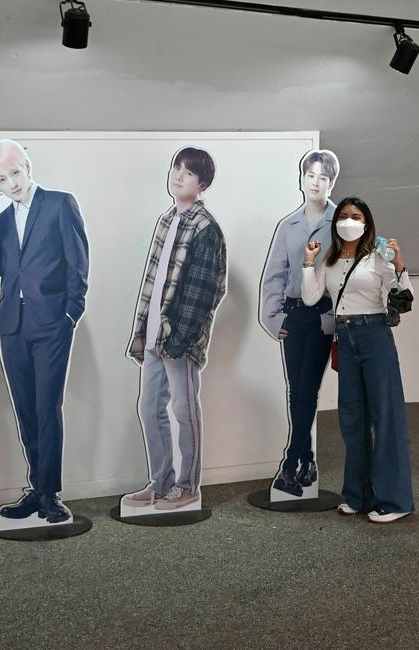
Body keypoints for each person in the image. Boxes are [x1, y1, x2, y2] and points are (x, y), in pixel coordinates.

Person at [0, 139, 89, 524]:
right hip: (12, 326)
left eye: (15, 173)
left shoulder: (59, 203)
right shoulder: (1, 218)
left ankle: (50, 494)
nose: (12, 183)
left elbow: (78, 260)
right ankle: (36, 488)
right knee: (26, 409)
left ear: (27, 165)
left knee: (47, 407)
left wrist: (71, 313)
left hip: (52, 323)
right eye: (1, 179)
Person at [122, 147, 228, 511]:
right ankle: (161, 482)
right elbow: (152, 286)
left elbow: (206, 291)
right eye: (176, 168)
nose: (178, 175)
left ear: (202, 183)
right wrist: (144, 334)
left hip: (178, 341)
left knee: (184, 411)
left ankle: (188, 486)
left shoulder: (206, 227)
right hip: (153, 335)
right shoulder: (167, 220)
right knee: (149, 407)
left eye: (188, 172)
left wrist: (179, 339)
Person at [300, 197, 415, 523]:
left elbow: (403, 300)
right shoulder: (331, 261)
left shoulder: (377, 257)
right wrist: (309, 261)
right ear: (336, 222)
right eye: (345, 215)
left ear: (366, 224)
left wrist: (399, 264)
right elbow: (310, 297)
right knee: (352, 419)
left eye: (356, 216)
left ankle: (395, 500)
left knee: (385, 414)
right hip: (345, 337)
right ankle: (358, 495)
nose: (349, 220)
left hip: (374, 333)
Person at [259, 149, 339, 497]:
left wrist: (335, 320)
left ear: (331, 182)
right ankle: (306, 460)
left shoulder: (340, 222)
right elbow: (275, 276)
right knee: (298, 392)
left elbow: (344, 275)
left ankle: (290, 464)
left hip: (322, 317)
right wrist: (273, 318)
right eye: (311, 175)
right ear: (302, 179)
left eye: (323, 177)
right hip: (293, 317)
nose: (316, 182)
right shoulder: (288, 226)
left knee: (307, 390)